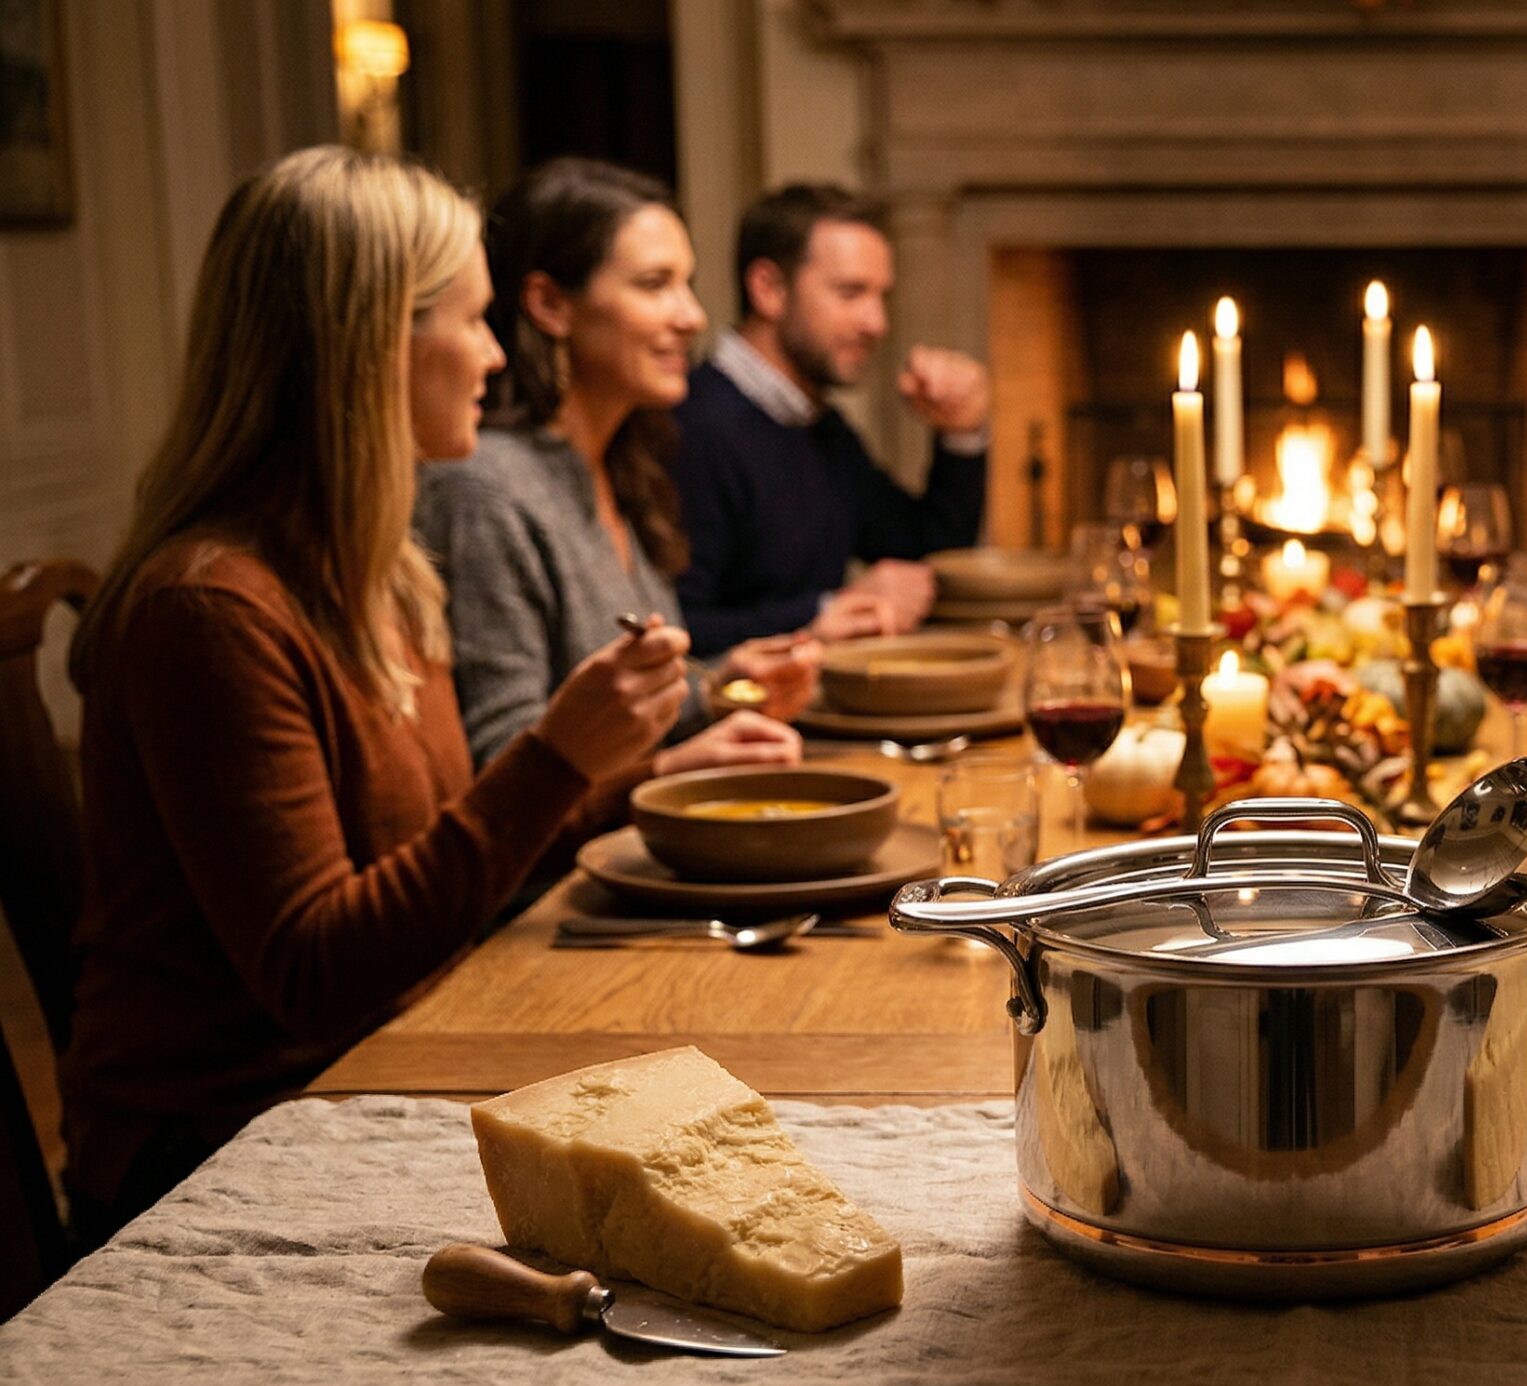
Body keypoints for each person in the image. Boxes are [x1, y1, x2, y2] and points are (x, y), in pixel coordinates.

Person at [58, 148, 691, 1242]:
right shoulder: (208, 610)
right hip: (225, 1142)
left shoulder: (383, 572)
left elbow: (442, 862)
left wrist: (636, 771)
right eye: (474, 321)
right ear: (370, 344)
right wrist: (556, 757)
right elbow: (317, 972)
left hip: (386, 1060)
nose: (498, 357)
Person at [414, 158, 814, 774]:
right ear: (550, 304)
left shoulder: (626, 461)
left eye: (687, 284)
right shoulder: (484, 488)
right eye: (655, 285)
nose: (693, 316)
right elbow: (502, 763)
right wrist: (668, 771)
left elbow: (620, 730)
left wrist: (715, 690)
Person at [670, 183, 991, 654]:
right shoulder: (693, 428)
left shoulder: (818, 426)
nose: (877, 322)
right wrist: (823, 612)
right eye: (851, 292)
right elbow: (677, 631)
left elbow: (925, 554)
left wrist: (962, 431)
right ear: (769, 289)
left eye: (881, 296)